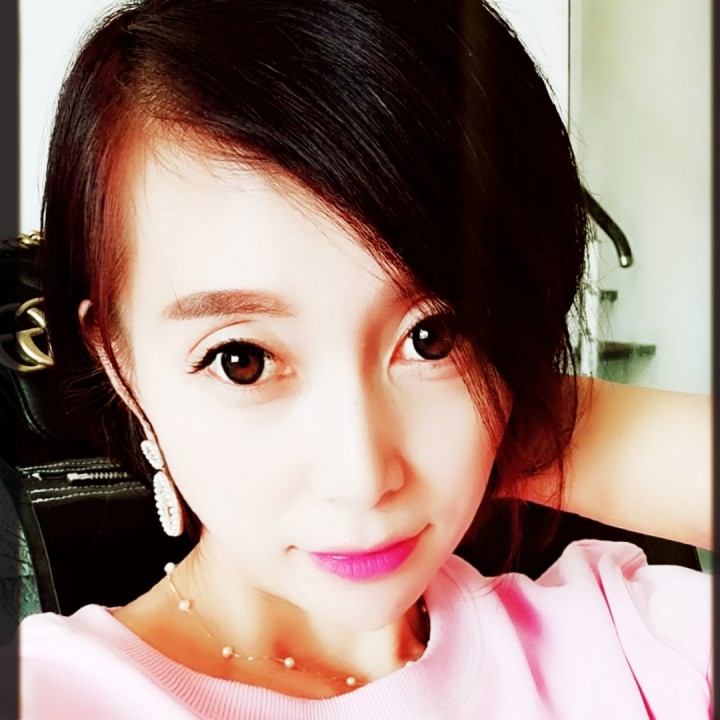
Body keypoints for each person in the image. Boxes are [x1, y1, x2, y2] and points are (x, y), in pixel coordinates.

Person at [17, 0, 711, 717]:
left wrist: (528, 418)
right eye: (242, 360)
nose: (361, 479)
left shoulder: (627, 650)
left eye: (434, 335)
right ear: (119, 361)